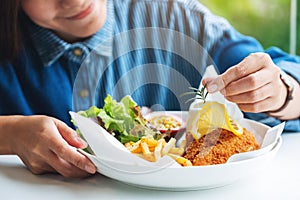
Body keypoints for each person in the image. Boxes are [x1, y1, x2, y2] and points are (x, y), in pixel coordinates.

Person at [0, 0, 299, 178]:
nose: (76, 1)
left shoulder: (172, 14)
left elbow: (286, 74)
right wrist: (11, 133)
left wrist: (282, 91)